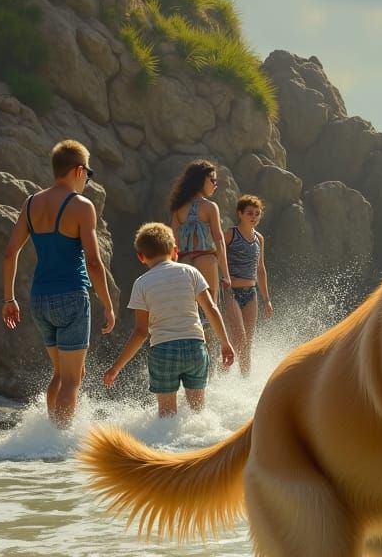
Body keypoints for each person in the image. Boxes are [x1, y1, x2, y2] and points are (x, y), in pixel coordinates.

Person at [1, 139, 116, 427]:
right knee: (72, 380)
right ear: (78, 170)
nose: (87, 181)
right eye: (88, 174)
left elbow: (10, 253)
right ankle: (60, 442)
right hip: (72, 297)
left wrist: (9, 299)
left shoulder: (30, 203)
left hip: (39, 299)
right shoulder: (82, 206)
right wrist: (107, 304)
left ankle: (48, 436)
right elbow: (93, 262)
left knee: (60, 375)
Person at [103, 223, 234, 416]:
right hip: (195, 348)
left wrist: (116, 368)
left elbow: (141, 332)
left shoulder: (141, 284)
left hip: (163, 351)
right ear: (175, 251)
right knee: (197, 413)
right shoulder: (190, 272)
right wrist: (225, 342)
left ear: (141, 257)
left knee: (166, 415)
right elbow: (212, 310)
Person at [168, 159, 231, 369]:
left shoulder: (178, 208)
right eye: (212, 180)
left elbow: (172, 244)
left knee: (190, 315)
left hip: (183, 263)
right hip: (205, 260)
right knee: (211, 313)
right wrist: (226, 273)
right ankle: (211, 368)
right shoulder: (209, 207)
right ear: (200, 180)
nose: (215, 184)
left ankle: (191, 363)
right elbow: (219, 240)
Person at [224, 194, 272, 377]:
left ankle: (245, 382)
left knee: (247, 344)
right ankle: (221, 378)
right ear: (240, 214)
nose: (254, 217)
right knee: (239, 340)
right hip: (231, 292)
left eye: (257, 214)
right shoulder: (230, 234)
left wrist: (267, 299)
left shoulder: (259, 238)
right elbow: (217, 257)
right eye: (250, 213)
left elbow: (260, 269)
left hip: (251, 293)